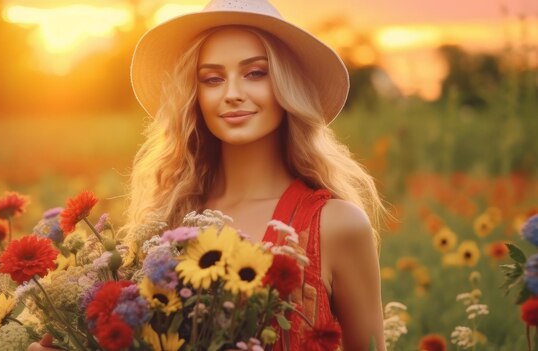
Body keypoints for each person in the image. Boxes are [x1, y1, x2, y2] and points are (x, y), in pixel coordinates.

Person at [29, 0, 387, 350]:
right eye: (212, 79)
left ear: (286, 86)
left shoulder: (336, 225)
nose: (232, 94)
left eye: (255, 73)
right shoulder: (168, 223)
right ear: (194, 96)